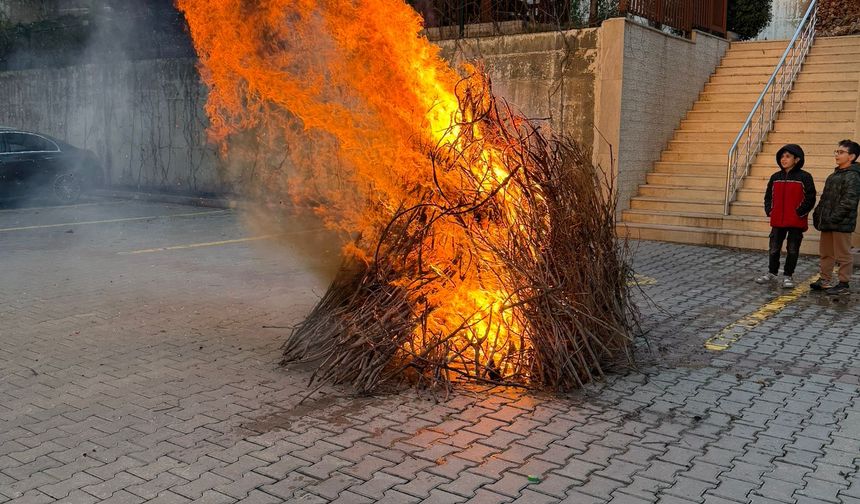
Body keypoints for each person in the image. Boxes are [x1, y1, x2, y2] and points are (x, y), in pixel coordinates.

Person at [755, 144, 816, 288]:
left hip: (796, 221)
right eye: (782, 156)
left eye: (788, 156)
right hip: (777, 221)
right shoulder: (775, 177)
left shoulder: (805, 177)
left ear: (797, 159)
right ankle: (772, 273)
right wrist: (770, 211)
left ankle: (788, 276)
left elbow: (810, 198)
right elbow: (768, 196)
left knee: (793, 249)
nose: (784, 159)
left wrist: (799, 212)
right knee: (774, 248)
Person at [810, 139, 860, 295]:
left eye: (841, 152)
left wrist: (834, 217)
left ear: (851, 156)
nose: (837, 155)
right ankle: (825, 279)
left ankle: (844, 283)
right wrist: (818, 214)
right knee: (826, 253)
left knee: (843, 254)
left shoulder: (853, 176)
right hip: (828, 222)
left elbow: (849, 202)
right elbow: (825, 198)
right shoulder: (834, 175)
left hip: (841, 223)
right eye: (836, 152)